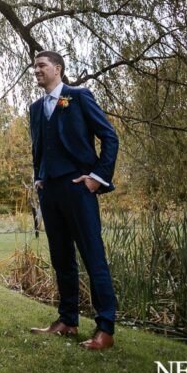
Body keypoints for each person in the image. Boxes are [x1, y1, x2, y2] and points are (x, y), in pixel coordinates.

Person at [28, 51, 119, 350]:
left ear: (58, 69)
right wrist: (39, 178)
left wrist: (97, 178)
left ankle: (105, 329)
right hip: (50, 191)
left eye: (41, 65)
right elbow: (39, 148)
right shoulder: (35, 108)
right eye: (35, 66)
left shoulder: (79, 98)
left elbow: (110, 137)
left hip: (79, 189)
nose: (36, 70)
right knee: (61, 259)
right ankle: (67, 320)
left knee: (93, 258)